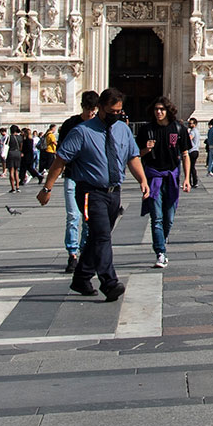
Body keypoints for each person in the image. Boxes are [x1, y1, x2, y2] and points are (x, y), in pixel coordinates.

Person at [38, 86, 150, 298]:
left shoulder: (123, 129)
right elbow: (60, 160)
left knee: (99, 237)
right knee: (101, 236)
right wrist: (47, 188)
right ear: (100, 108)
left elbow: (132, 157)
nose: (115, 116)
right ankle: (109, 282)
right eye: (111, 112)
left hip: (113, 192)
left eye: (119, 112)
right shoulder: (82, 131)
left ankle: (81, 278)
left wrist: (142, 180)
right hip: (90, 192)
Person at [140, 96, 192, 266]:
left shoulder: (178, 129)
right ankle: (160, 252)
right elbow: (135, 155)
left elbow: (185, 154)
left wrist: (187, 179)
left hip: (171, 177)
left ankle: (161, 240)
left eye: (162, 109)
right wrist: (146, 149)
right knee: (156, 218)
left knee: (168, 218)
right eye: (156, 109)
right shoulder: (146, 130)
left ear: (168, 111)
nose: (159, 112)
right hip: (153, 177)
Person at [58, 91, 101, 268]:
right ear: (83, 107)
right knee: (72, 215)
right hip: (72, 175)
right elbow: (61, 151)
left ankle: (84, 251)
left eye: (94, 110)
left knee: (87, 218)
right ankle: (72, 253)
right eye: (89, 109)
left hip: (91, 178)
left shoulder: (98, 125)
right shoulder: (70, 124)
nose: (92, 113)